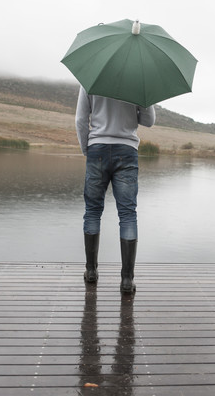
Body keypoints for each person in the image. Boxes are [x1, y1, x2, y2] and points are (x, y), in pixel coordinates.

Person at [75, 86, 156, 293]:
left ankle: (91, 272)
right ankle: (127, 281)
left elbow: (80, 120)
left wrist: (88, 148)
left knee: (92, 212)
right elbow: (148, 121)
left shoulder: (90, 80)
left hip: (97, 149)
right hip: (127, 151)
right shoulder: (137, 80)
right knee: (128, 215)